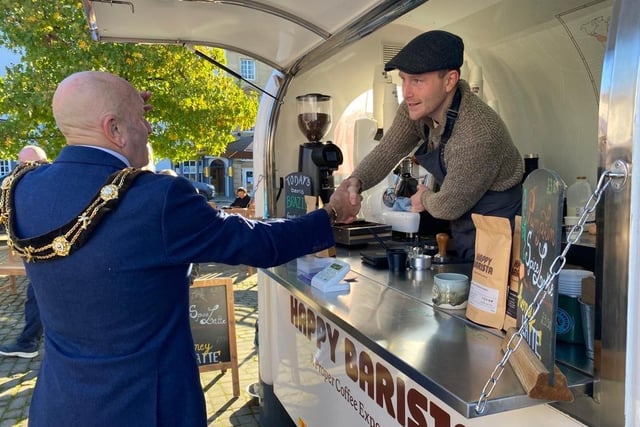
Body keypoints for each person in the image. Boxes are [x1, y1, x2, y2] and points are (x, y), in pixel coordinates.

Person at [0, 70, 359, 427]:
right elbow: (259, 243)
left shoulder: (20, 189)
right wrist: (331, 214)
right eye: (141, 120)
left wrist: (124, 105)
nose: (149, 128)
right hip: (148, 409)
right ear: (114, 130)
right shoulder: (156, 197)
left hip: (59, 405)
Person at [337, 30, 523, 260]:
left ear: (450, 81)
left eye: (417, 81)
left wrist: (423, 197)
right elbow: (388, 151)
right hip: (466, 223)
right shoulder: (415, 109)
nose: (406, 92)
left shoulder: (477, 132)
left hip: (500, 227)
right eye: (403, 79)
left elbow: (447, 207)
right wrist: (355, 182)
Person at [0, 145, 48, 359]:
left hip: (55, 253)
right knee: (36, 296)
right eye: (20, 165)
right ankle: (28, 341)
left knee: (38, 296)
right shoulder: (18, 183)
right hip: (37, 254)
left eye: (26, 164)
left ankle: (28, 342)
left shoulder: (49, 182)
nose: (21, 169)